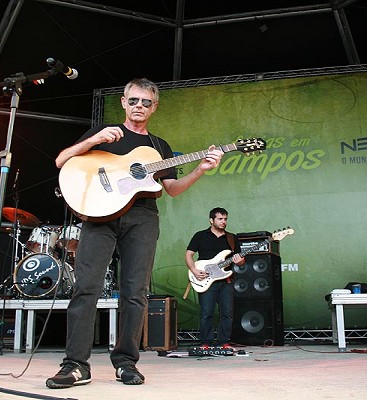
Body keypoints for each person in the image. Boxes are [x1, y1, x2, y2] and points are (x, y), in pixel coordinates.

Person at [46, 78, 225, 388]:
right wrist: (93, 139)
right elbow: (62, 160)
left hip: (142, 218)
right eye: (133, 100)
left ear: (154, 107)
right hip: (99, 216)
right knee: (86, 287)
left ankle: (126, 362)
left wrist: (200, 169)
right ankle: (75, 364)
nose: (138, 106)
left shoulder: (159, 147)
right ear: (123, 102)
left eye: (145, 102)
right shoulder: (105, 134)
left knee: (135, 292)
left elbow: (172, 189)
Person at [185, 207, 245, 348]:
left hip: (226, 280)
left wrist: (239, 261)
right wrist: (194, 270)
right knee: (206, 313)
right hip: (206, 279)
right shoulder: (200, 236)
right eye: (220, 219)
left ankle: (224, 342)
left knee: (227, 313)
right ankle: (206, 342)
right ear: (211, 220)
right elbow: (188, 254)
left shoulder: (232, 238)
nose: (223, 222)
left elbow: (241, 261)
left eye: (225, 219)